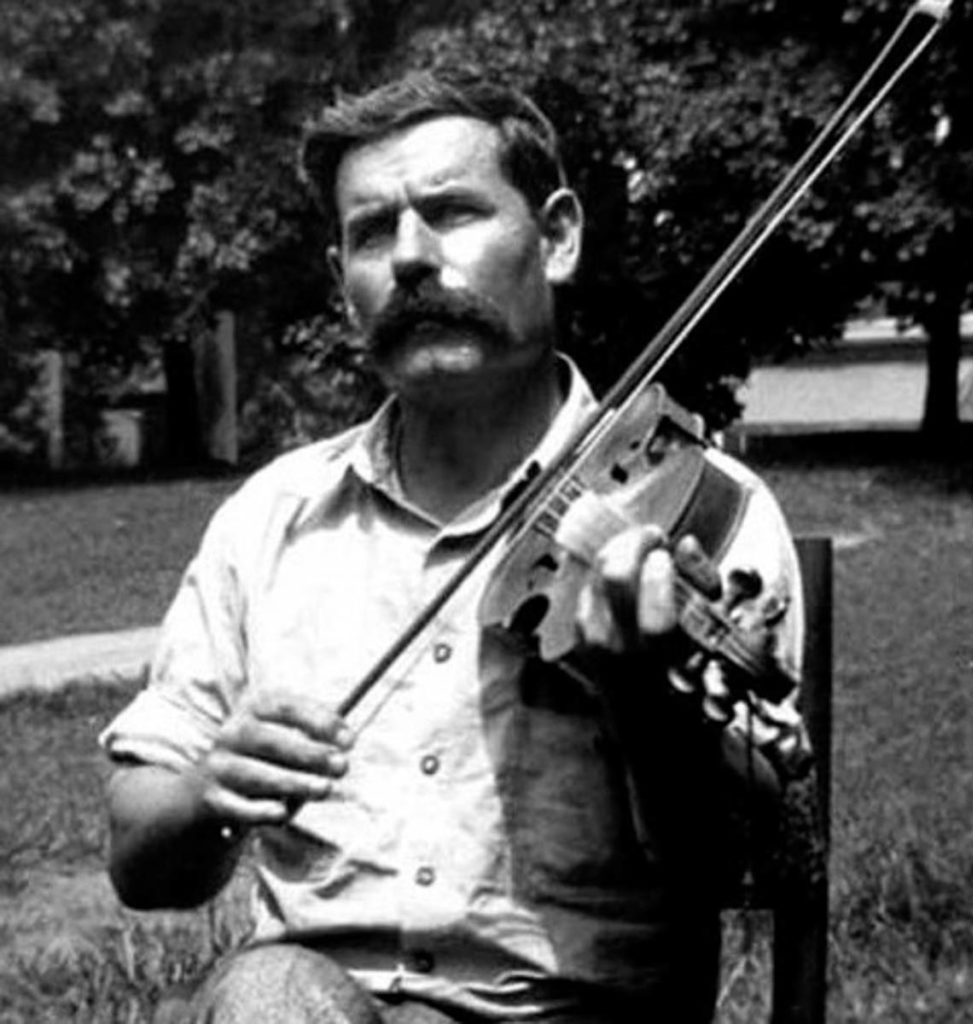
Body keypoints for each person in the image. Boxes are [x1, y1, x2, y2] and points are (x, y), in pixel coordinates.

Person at [101, 69, 811, 1024]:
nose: (410, 259)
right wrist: (205, 791)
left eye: (453, 212)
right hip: (311, 1011)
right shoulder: (270, 517)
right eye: (370, 232)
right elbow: (140, 864)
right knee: (269, 991)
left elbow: (752, 863)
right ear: (340, 283)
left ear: (556, 238)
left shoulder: (696, 509)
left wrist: (641, 694)